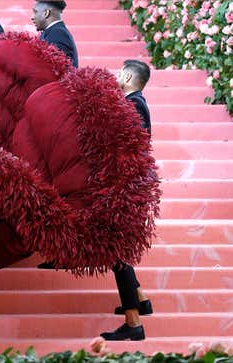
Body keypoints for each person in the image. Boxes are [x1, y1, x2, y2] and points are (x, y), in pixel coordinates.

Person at [100, 60, 154, 341]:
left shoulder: (133, 105)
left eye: (121, 73)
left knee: (117, 253)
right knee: (117, 251)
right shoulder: (137, 103)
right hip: (127, 186)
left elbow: (126, 148)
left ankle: (133, 324)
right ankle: (141, 300)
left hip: (123, 188)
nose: (116, 76)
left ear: (130, 77)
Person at [32, 0, 79, 68]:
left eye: (35, 12)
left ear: (46, 13)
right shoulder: (53, 32)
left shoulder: (57, 34)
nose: (32, 17)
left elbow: (56, 71)